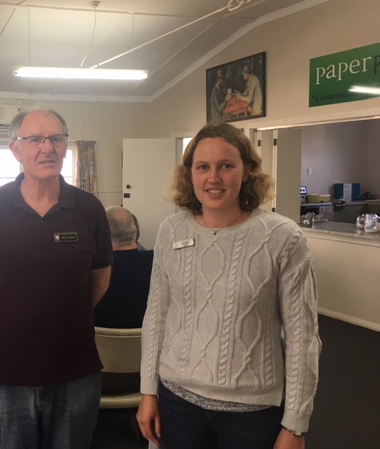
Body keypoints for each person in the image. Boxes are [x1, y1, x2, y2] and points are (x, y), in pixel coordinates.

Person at [137, 122, 321, 449]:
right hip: (177, 402)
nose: (214, 178)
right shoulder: (171, 230)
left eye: (226, 166)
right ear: (189, 173)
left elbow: (303, 338)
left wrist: (296, 424)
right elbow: (156, 317)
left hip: (252, 412)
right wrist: (148, 391)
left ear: (247, 170)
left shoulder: (283, 238)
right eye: (203, 167)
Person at [0, 108, 113, 449]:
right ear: (16, 150)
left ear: (66, 147)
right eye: (35, 139)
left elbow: (100, 280)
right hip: (8, 371)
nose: (46, 148)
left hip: (75, 370)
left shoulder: (90, 209)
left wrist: (60, 312)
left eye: (56, 139)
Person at [94, 206, 153, 328]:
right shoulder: (158, 262)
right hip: (148, 342)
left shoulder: (92, 269)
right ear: (136, 230)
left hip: (101, 344)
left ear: (101, 234)